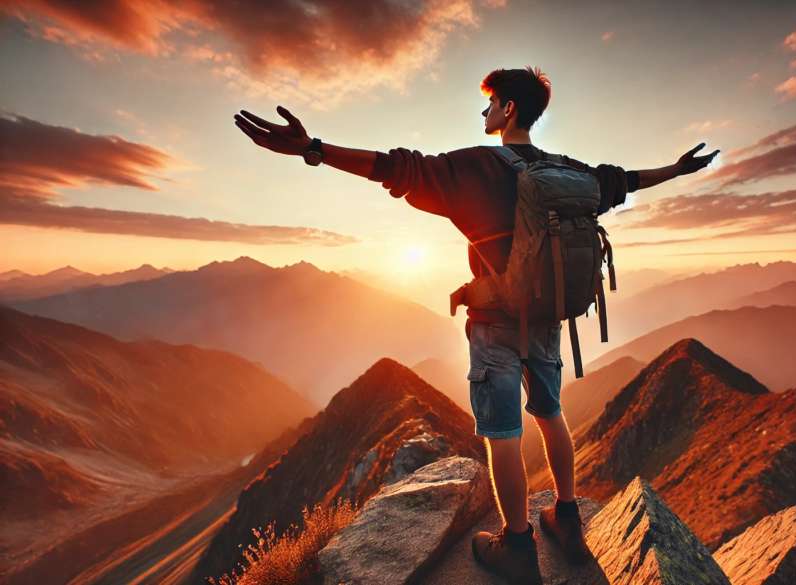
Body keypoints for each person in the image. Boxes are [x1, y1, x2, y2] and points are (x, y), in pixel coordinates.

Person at [234, 66, 718, 584]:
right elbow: (624, 181)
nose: (483, 112)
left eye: (488, 104)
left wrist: (315, 148)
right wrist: (677, 169)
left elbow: (397, 169)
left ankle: (517, 546)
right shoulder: (571, 172)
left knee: (504, 432)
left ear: (508, 109)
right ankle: (569, 517)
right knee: (550, 413)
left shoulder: (478, 169)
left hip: (495, 324)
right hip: (548, 318)